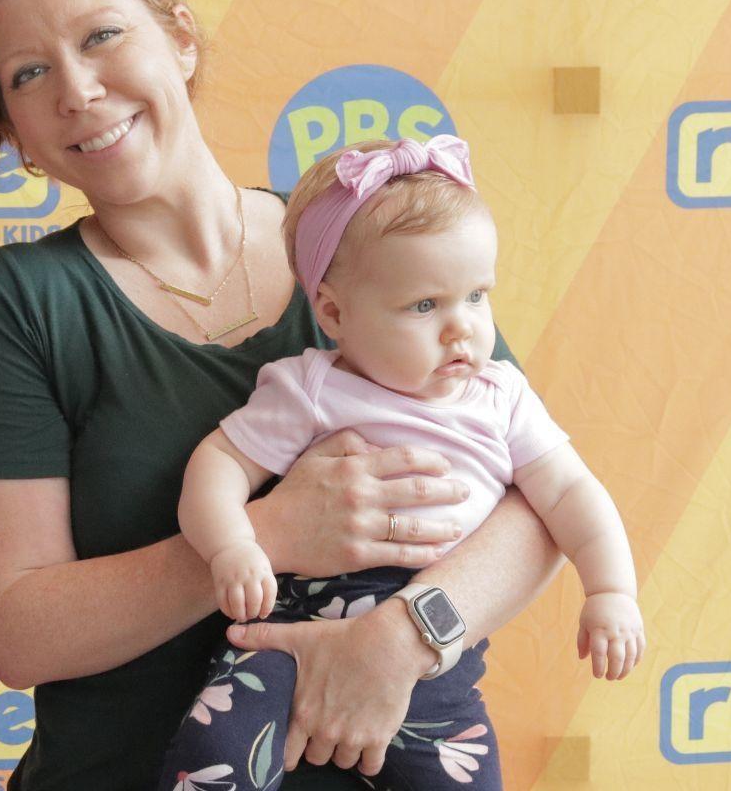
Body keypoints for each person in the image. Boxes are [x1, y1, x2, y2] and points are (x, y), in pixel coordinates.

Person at [0, 0, 565, 789]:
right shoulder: (20, 302)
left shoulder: (356, 242)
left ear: (180, 38)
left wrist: (402, 638)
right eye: (31, 72)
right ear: (17, 131)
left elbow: (540, 504)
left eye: (103, 35)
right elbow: (19, 629)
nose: (76, 90)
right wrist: (267, 533)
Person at [163, 136, 645, 787]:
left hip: (433, 666)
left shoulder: (502, 398)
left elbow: (570, 495)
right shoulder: (312, 388)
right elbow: (217, 464)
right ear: (334, 312)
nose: (463, 328)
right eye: (425, 306)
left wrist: (611, 590)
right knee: (214, 744)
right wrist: (232, 547)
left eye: (477, 296)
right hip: (290, 637)